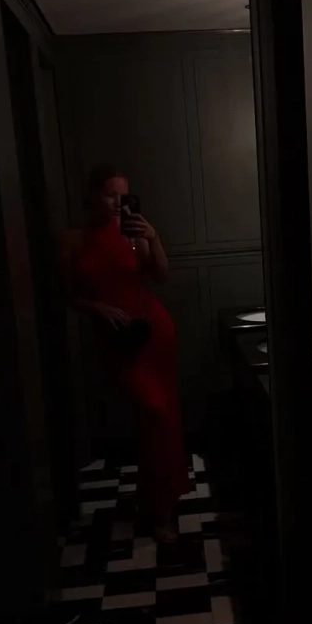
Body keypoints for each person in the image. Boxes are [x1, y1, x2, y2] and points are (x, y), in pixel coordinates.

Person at [61, 163, 190, 542]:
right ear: (91, 196)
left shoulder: (132, 233)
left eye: (123, 195)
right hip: (117, 341)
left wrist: (154, 237)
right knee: (151, 414)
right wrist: (97, 307)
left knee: (162, 417)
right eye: (109, 195)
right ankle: (158, 499)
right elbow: (66, 295)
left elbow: (160, 275)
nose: (118, 202)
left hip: (154, 332)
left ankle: (161, 508)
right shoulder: (72, 240)